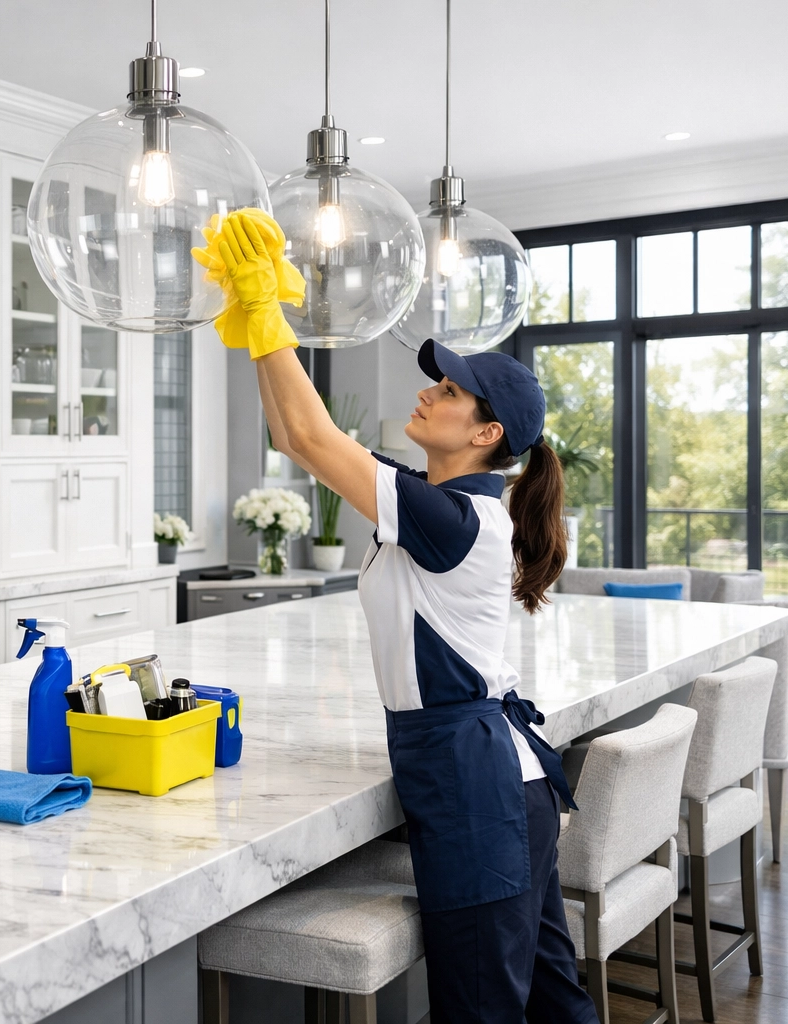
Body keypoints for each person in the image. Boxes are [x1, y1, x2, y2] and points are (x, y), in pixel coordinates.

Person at [198, 210, 597, 1023]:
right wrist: (255, 325)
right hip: (496, 778)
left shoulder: (448, 519)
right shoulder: (434, 504)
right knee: (551, 1000)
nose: (428, 390)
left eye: (448, 390)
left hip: (477, 784)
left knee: (483, 1009)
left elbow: (313, 435)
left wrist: (267, 308)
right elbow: (295, 436)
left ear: (486, 433)